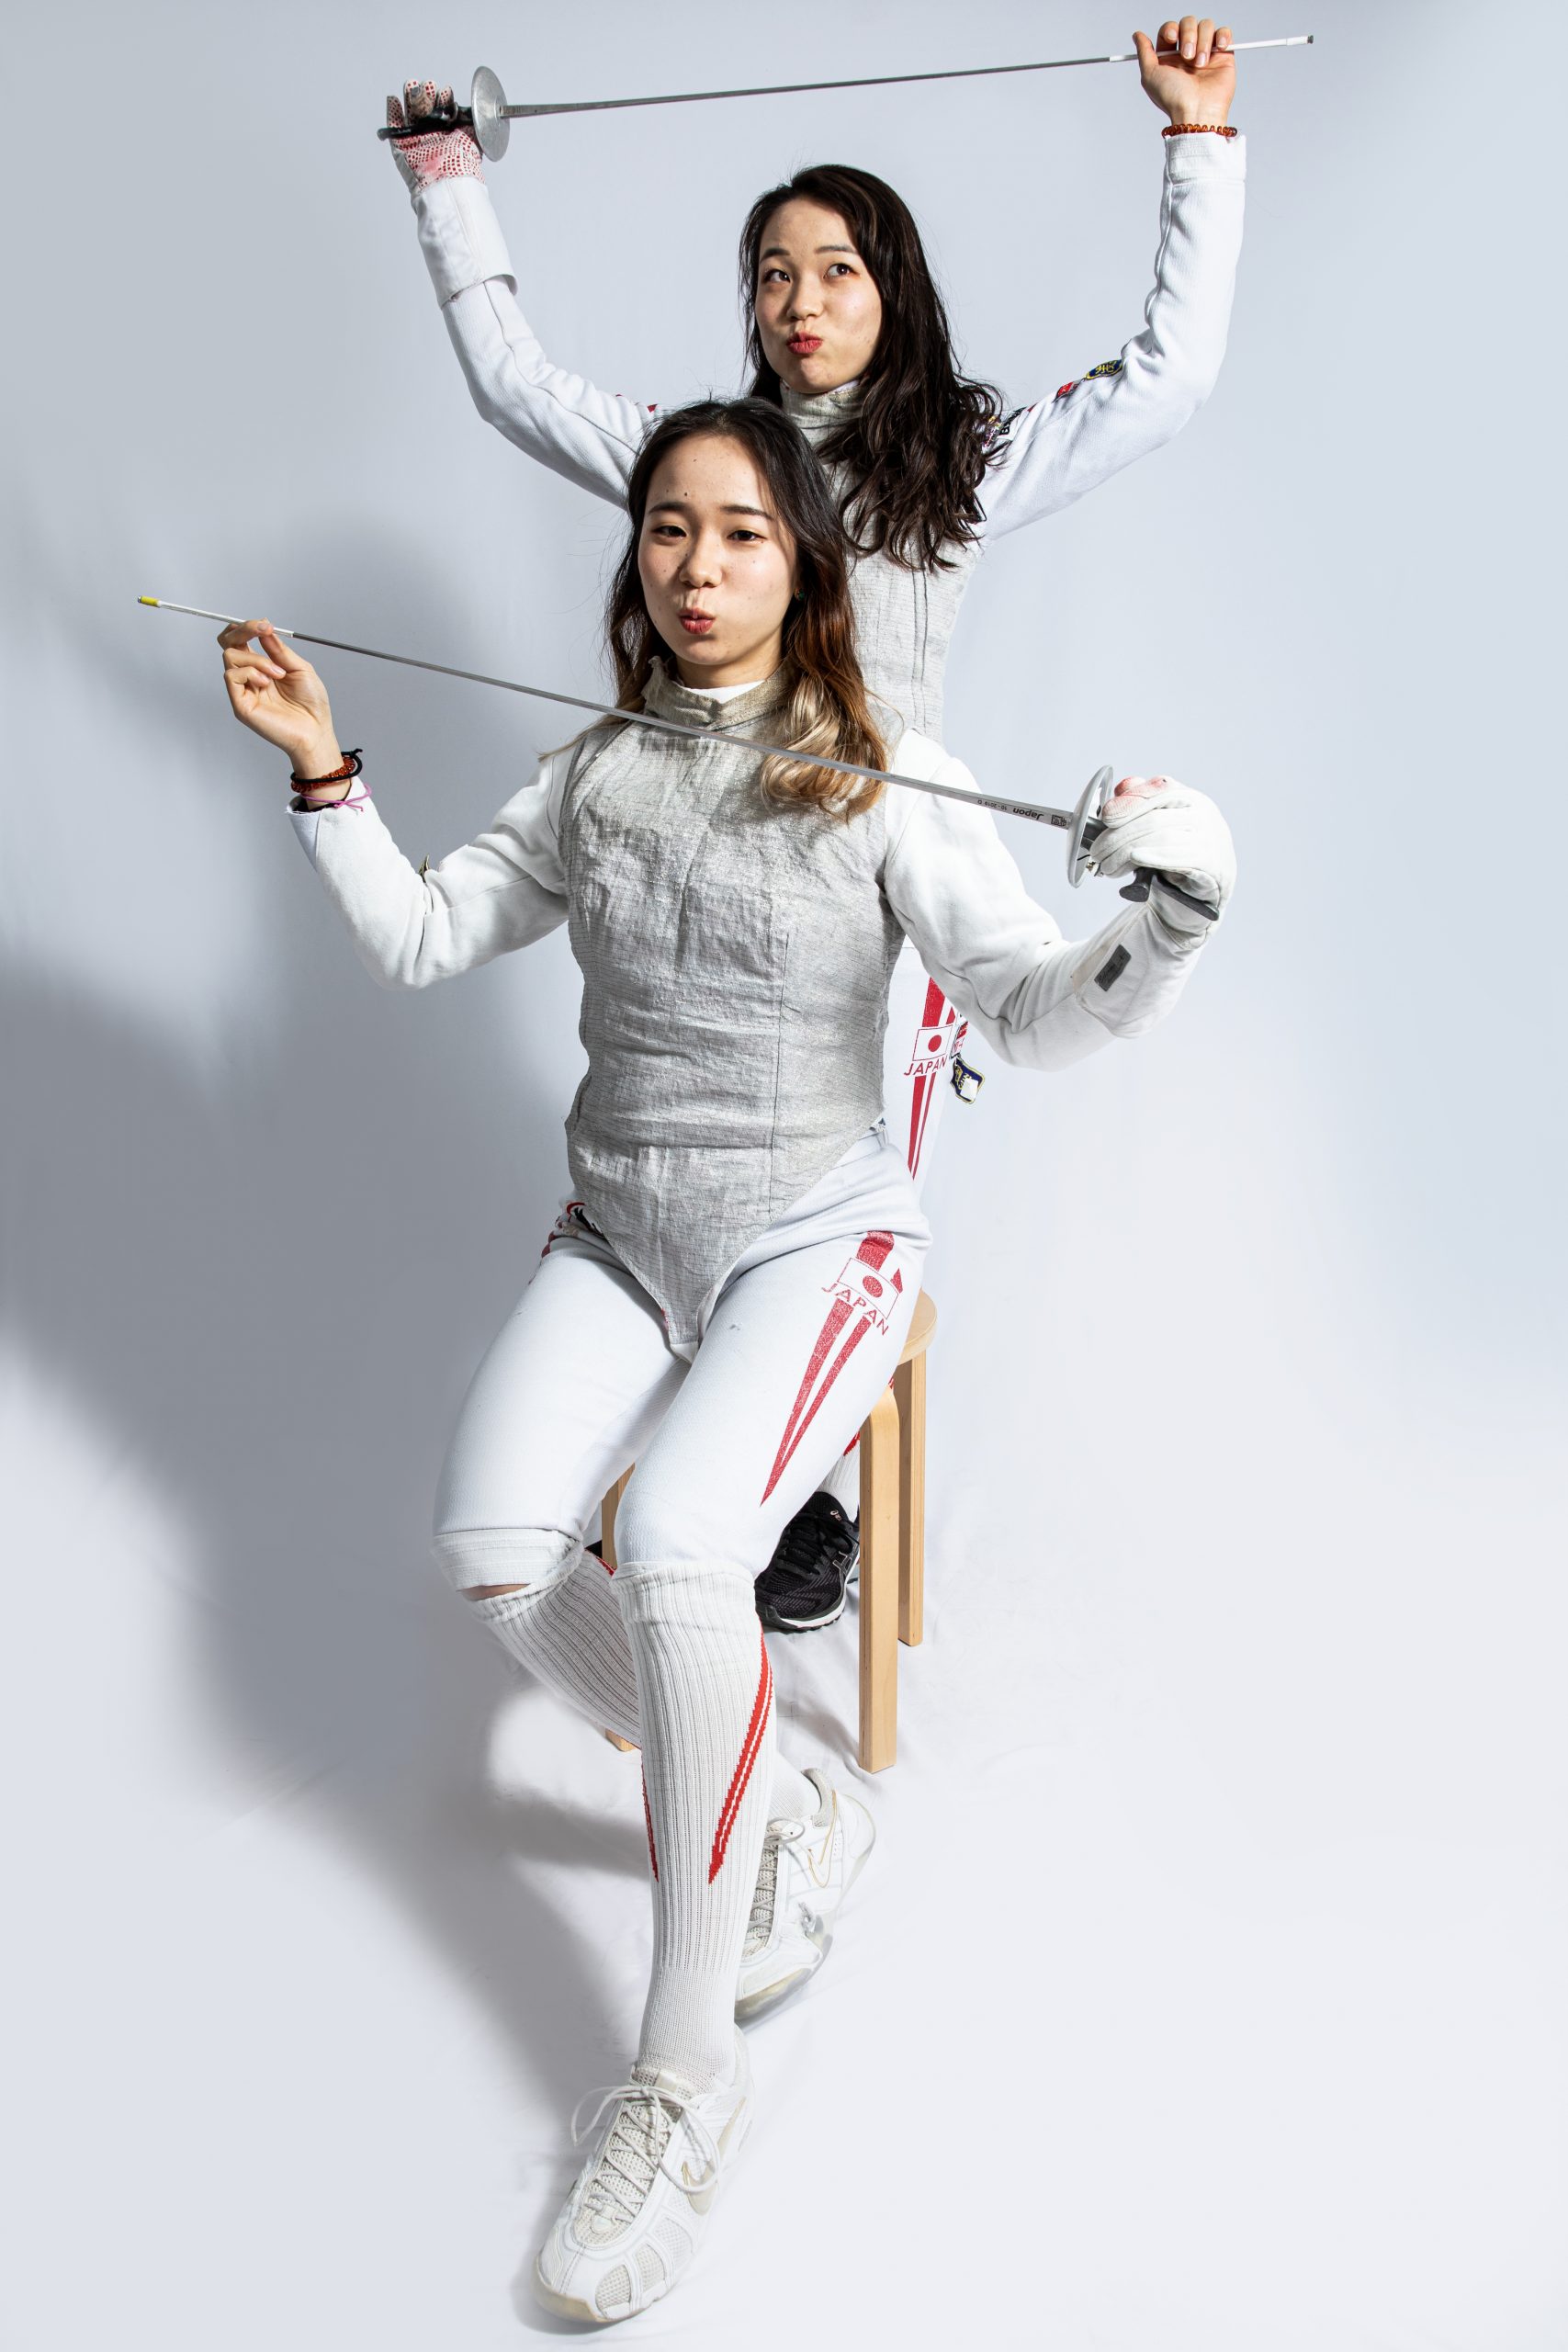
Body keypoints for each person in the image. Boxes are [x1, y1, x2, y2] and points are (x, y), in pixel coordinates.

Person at [217, 395, 1235, 2324]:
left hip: (815, 1237)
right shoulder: (594, 771)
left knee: (685, 1544)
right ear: (638, 558)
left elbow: (1027, 1013)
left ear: (805, 564)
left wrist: (1165, 924)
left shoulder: (887, 772)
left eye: (744, 532)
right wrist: (323, 769)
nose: (698, 564)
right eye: (669, 528)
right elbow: (424, 941)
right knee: (491, 1546)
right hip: (622, 1231)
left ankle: (680, 2083)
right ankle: (786, 1808)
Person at [380, 19, 1246, 1628]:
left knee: (831, 1196)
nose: (801, 301)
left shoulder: (954, 466)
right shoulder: (721, 471)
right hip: (718, 862)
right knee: (694, 1166)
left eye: (836, 271)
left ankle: (803, 1497)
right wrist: (446, 180)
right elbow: (517, 386)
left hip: (887, 879)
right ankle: (660, 1476)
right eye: (773, 274)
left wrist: (1198, 139)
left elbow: (1166, 381)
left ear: (891, 291)